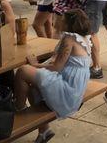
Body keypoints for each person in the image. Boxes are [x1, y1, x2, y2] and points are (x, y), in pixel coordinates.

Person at [14, 9, 91, 143]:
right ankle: (44, 131)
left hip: (67, 90)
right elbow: (57, 61)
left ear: (68, 23)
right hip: (74, 90)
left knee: (22, 71)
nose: (57, 20)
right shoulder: (83, 38)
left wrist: (34, 64)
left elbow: (56, 67)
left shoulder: (69, 38)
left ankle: (18, 113)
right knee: (33, 89)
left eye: (61, 19)